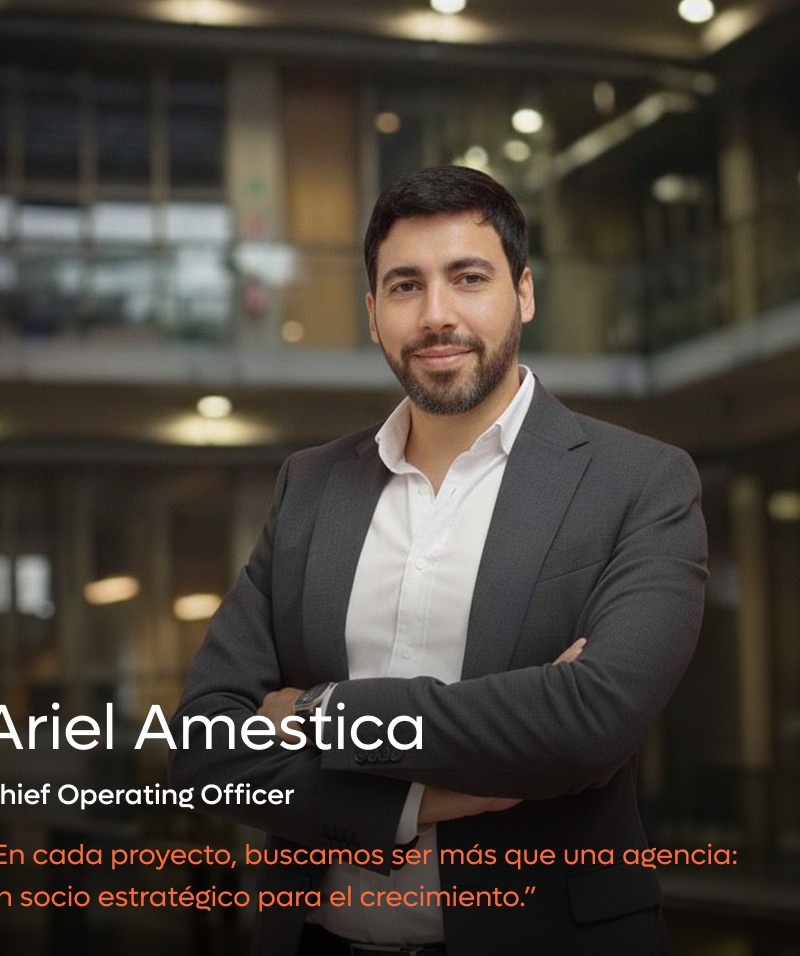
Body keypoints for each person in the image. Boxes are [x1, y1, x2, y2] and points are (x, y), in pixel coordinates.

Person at [169, 165, 708, 956]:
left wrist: (319, 712)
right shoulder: (312, 487)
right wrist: (422, 804)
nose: (437, 315)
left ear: (523, 293)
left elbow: (590, 719)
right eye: (405, 287)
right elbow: (204, 751)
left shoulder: (638, 482)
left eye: (468, 278)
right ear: (373, 314)